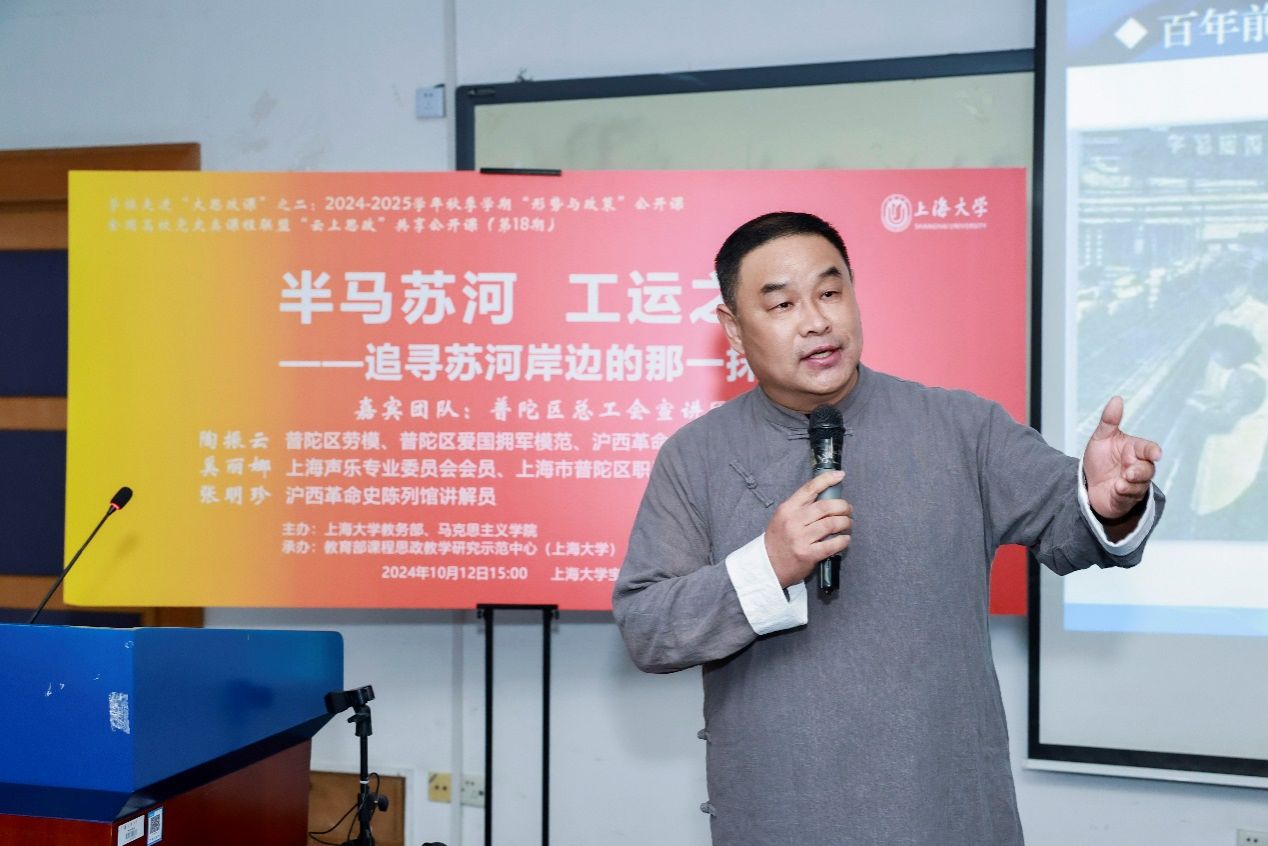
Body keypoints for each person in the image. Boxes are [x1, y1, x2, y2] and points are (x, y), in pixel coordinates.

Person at [611, 212, 1164, 846]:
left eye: (829, 292)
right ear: (733, 329)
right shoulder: (695, 457)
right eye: (783, 304)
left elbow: (1070, 523)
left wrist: (1107, 501)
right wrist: (767, 566)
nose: (816, 321)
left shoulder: (961, 427)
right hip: (785, 814)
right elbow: (648, 627)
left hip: (945, 813)